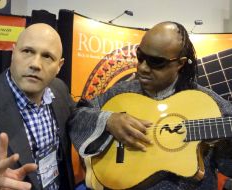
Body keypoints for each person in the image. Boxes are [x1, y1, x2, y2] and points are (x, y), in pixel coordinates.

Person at [68, 21, 232, 189]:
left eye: (156, 62)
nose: (142, 68)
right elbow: (77, 116)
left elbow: (227, 166)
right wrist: (108, 121)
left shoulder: (209, 103)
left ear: (180, 63)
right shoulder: (122, 93)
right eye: (140, 57)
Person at [0, 23, 75, 190]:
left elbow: (80, 115)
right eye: (27, 51)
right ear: (14, 52)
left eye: (47, 56)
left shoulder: (59, 90)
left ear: (59, 66)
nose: (35, 64)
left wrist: (108, 119)